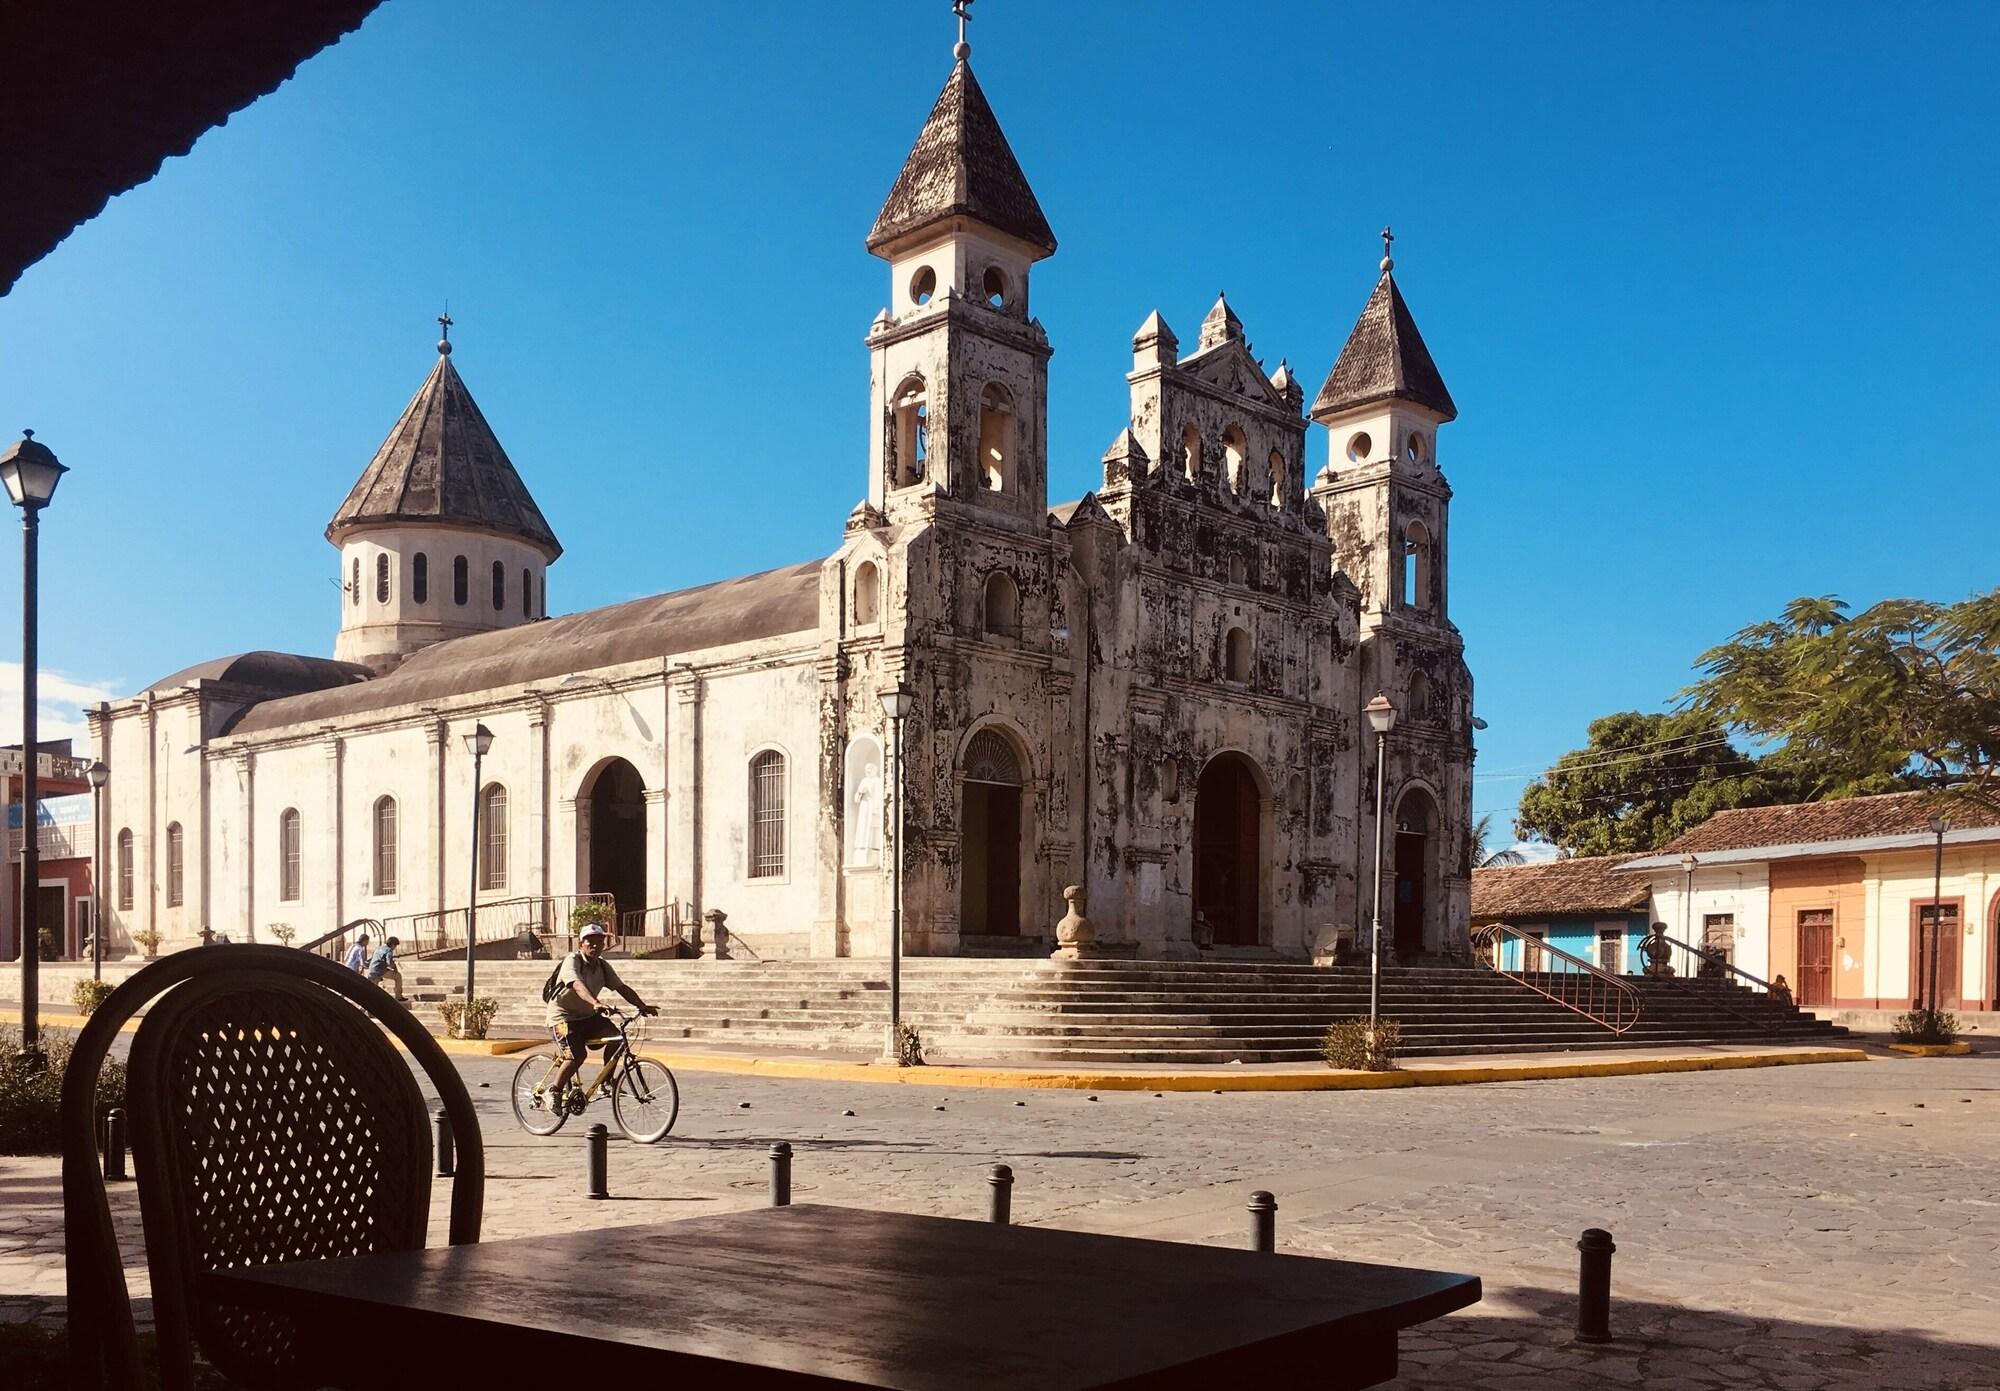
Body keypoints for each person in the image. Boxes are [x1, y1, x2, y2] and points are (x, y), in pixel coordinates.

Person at [541, 923, 659, 1111]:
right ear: (581, 944)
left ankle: (606, 1082)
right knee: (576, 1055)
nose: (595, 945)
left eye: (600, 941)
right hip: (562, 1019)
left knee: (617, 1038)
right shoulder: (572, 960)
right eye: (590, 941)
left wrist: (642, 1006)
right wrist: (595, 1002)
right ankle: (553, 1090)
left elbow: (621, 988)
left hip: (587, 1018)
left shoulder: (602, 966)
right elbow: (576, 984)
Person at [365, 935, 403, 1000]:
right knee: (398, 976)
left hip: (372, 970)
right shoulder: (389, 951)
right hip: (380, 971)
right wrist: (395, 968)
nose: (395, 948)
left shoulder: (380, 948)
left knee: (372, 988)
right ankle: (398, 996)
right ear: (393, 945)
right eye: (395, 946)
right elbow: (389, 963)